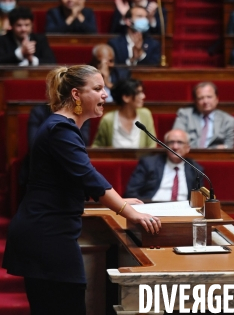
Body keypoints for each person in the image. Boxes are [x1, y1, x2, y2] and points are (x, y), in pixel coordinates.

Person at [2, 65, 160, 315]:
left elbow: (66, 186)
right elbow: (89, 178)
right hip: (47, 236)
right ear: (76, 95)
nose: (105, 94)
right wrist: (128, 211)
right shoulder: (60, 130)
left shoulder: (63, 128)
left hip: (48, 231)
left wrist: (119, 201)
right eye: (97, 89)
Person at [125, 128, 204, 201]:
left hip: (183, 210)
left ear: (188, 148)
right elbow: (131, 193)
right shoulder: (149, 164)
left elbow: (198, 200)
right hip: (152, 208)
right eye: (171, 142)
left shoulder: (195, 169)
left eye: (180, 142)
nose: (175, 147)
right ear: (165, 146)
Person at [92, 79, 156, 148]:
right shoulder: (108, 119)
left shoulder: (145, 115)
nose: (143, 96)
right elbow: (97, 148)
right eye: (138, 93)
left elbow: (152, 146)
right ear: (126, 97)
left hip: (142, 159)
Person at [172, 82, 234, 148]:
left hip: (216, 157)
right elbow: (177, 142)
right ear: (195, 101)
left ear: (217, 99)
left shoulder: (228, 120)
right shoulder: (184, 115)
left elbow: (228, 148)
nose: (205, 101)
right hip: (188, 156)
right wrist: (214, 148)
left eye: (209, 97)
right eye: (201, 98)